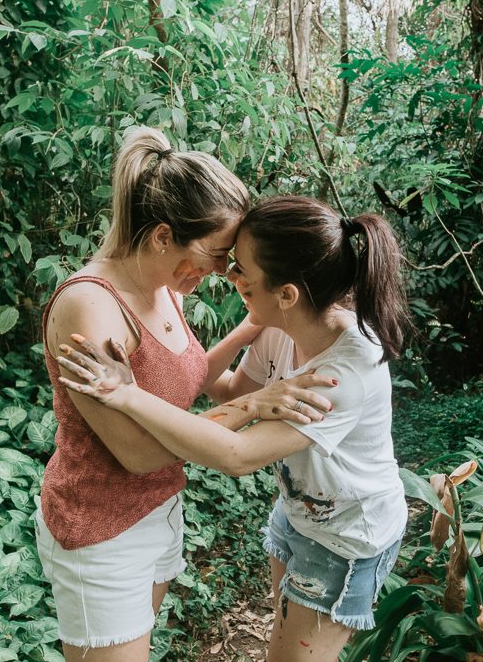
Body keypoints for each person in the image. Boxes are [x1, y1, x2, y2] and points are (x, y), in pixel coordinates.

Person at [57, 196, 413, 662]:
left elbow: (236, 455)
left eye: (241, 269)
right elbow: (217, 386)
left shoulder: (345, 372)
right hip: (299, 513)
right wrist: (250, 326)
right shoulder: (280, 326)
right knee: (284, 641)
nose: (229, 276)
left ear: (287, 294)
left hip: (348, 537)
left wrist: (126, 394)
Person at [37, 130, 336, 661]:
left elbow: (185, 378)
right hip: (101, 527)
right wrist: (252, 404)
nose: (224, 270)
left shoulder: (165, 288)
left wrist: (255, 325)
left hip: (160, 509)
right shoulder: (92, 306)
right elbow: (139, 452)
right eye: (218, 254)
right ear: (161, 236)